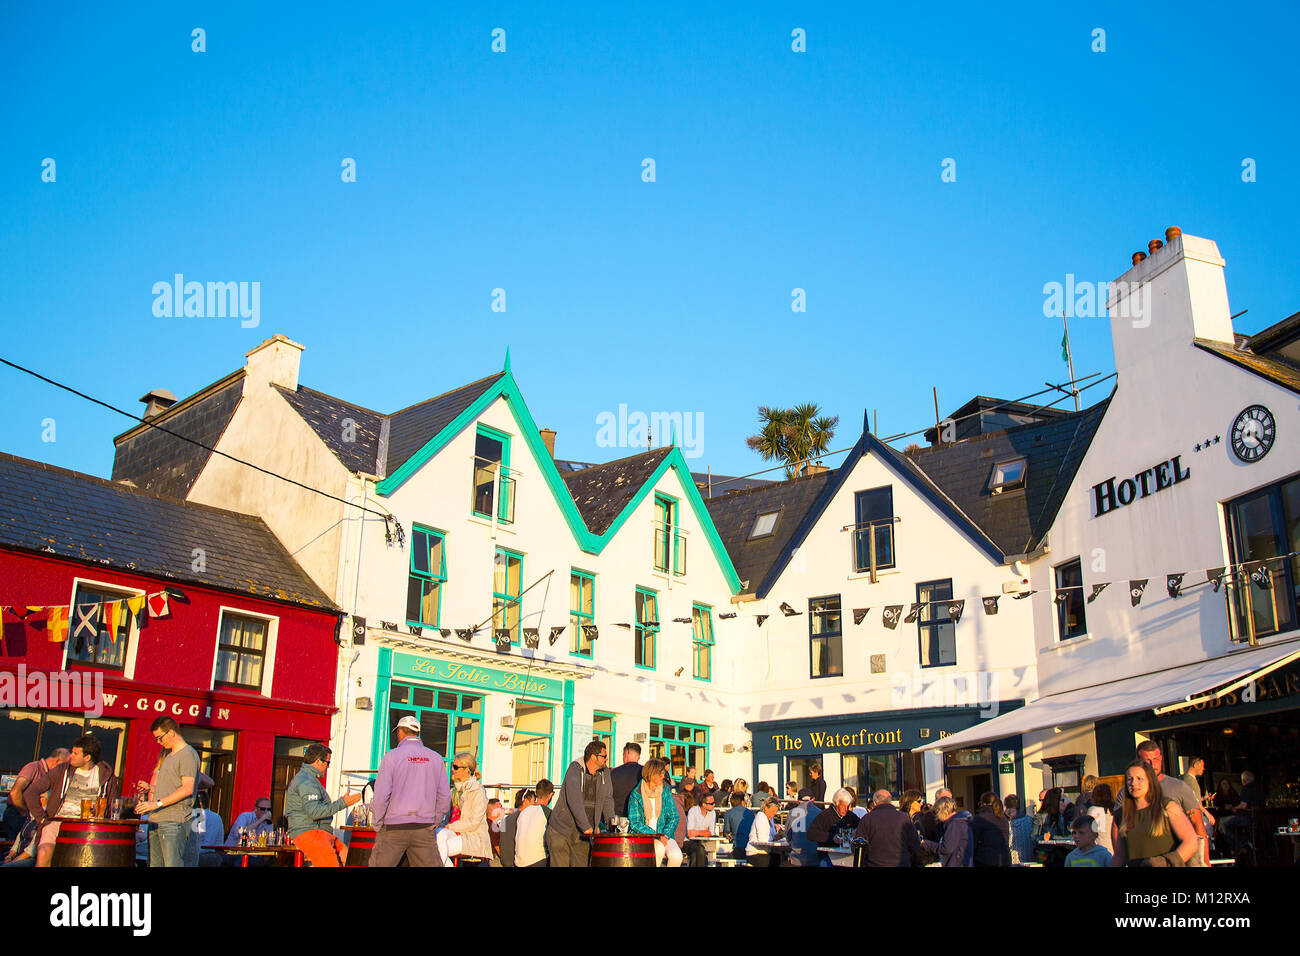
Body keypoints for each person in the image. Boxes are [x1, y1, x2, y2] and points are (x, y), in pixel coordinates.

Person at [26, 735, 120, 868]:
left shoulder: (106, 776)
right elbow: (31, 792)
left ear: (87, 758)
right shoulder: (62, 770)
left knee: (88, 858)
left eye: (75, 753)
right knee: (44, 851)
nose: (71, 756)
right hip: (58, 821)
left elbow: (113, 805)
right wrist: (41, 819)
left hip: (89, 826)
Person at [369, 715, 450, 867]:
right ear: (417, 733)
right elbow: (445, 798)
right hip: (424, 827)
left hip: (394, 827)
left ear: (400, 732)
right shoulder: (436, 758)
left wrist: (378, 823)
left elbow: (381, 796)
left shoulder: (391, 757)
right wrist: (434, 821)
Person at [133, 717, 200, 868]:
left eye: (159, 737)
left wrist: (156, 803)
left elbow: (187, 788)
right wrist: (151, 789)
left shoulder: (187, 754)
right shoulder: (169, 756)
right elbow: (172, 788)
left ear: (171, 732)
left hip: (173, 820)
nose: (158, 742)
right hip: (157, 819)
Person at [284, 742, 362, 866]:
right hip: (308, 833)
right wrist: (342, 803)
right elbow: (314, 812)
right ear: (318, 761)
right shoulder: (306, 781)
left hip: (320, 833)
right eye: (328, 762)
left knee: (351, 860)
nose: (328, 766)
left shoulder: (309, 779)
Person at [1111, 759, 1197, 867]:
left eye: (1139, 779)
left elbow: (1191, 842)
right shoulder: (1121, 814)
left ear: (1150, 780)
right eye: (1129, 779)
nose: (1133, 783)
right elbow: (1120, 856)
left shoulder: (1167, 806)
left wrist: (1167, 862)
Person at [1135, 740, 1207, 866]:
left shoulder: (1179, 787)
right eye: (1147, 760)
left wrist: (1204, 860)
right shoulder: (1128, 791)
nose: (1153, 764)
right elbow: (1118, 830)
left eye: (1156, 759)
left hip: (1175, 860)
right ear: (1138, 761)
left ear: (1162, 758)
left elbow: (1198, 824)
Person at [546, 740, 614, 867]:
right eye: (604, 756)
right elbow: (574, 799)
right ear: (593, 757)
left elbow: (607, 799)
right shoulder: (575, 768)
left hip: (584, 834)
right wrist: (586, 826)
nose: (606, 759)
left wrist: (611, 823)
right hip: (562, 830)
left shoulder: (605, 773)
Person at [627, 757, 683, 866]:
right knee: (658, 849)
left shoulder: (665, 791)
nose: (663, 776)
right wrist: (655, 835)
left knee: (677, 856)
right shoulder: (636, 794)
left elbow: (674, 816)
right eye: (660, 773)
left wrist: (665, 835)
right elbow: (635, 823)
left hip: (664, 834)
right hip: (644, 836)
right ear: (651, 774)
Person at [440, 752, 491, 866]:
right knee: (435, 838)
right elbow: (445, 816)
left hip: (472, 837)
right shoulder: (453, 791)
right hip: (453, 833)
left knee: (438, 847)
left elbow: (474, 823)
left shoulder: (477, 791)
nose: (452, 769)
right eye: (452, 766)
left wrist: (450, 827)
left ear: (467, 769)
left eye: (456, 767)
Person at [854, 790, 923, 867]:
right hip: (901, 863)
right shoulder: (904, 818)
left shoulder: (867, 819)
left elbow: (857, 847)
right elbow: (914, 845)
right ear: (890, 801)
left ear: (875, 803)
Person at [9, 747, 68, 824]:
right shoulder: (33, 768)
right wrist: (24, 813)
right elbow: (15, 792)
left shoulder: (51, 775)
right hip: (19, 815)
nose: (65, 769)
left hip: (34, 815)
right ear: (57, 761)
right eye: (65, 765)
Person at [921, 795, 972, 867]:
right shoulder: (960, 822)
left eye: (936, 812)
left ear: (942, 811)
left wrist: (925, 843)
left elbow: (946, 849)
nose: (936, 816)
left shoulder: (955, 824)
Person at [807, 788, 858, 861]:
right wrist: (832, 837)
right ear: (836, 804)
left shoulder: (850, 815)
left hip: (847, 855)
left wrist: (856, 831)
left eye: (848, 806)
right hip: (828, 855)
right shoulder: (825, 816)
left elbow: (861, 825)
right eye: (843, 806)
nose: (846, 809)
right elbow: (811, 834)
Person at [1220, 770, 1260, 855]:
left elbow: (1243, 805)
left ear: (1244, 780)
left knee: (1225, 825)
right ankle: (1246, 842)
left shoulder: (1246, 789)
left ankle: (1242, 846)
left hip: (1248, 818)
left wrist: (1234, 808)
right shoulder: (1259, 788)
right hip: (1260, 818)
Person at [970, 791, 1011, 867]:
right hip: (1004, 859)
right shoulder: (1003, 819)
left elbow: (973, 842)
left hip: (985, 860)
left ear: (983, 803)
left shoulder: (980, 818)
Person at [185, 789, 224, 867]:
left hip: (211, 854)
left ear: (198, 803)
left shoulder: (214, 817)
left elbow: (208, 844)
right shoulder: (196, 815)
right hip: (201, 851)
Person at [516, 784, 550, 867]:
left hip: (518, 861)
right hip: (537, 860)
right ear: (550, 795)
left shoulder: (523, 813)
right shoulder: (546, 812)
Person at [499, 788, 534, 868]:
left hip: (506, 862)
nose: (534, 805)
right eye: (533, 801)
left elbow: (502, 843)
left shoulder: (506, 819)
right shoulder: (525, 819)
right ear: (526, 801)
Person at [684, 790, 716, 867]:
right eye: (711, 804)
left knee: (697, 852)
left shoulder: (712, 813)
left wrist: (697, 832)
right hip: (688, 841)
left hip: (703, 842)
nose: (714, 805)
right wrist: (704, 832)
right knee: (699, 850)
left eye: (714, 803)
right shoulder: (693, 811)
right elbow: (690, 834)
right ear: (704, 804)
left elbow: (711, 832)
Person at [784, 794, 819, 866]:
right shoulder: (820, 812)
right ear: (813, 799)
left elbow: (788, 837)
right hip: (815, 859)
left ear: (798, 801)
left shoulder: (792, 812)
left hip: (796, 859)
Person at [746, 797, 782, 867]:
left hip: (764, 852)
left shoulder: (770, 819)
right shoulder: (761, 817)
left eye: (776, 811)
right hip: (754, 853)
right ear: (766, 809)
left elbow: (773, 835)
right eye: (773, 811)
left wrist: (779, 836)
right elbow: (763, 839)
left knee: (780, 857)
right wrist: (775, 838)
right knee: (776, 860)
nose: (775, 813)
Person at [610, 742, 644, 816]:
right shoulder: (645, 773)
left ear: (626, 753)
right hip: (638, 817)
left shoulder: (614, 772)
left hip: (617, 816)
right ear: (638, 757)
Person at [1004, 794, 1034, 865]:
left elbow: (1008, 843)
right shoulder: (1029, 820)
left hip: (1014, 859)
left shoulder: (1009, 824)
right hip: (1029, 858)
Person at [1087, 783, 1115, 855]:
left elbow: (1090, 833)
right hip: (1115, 851)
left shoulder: (1094, 811)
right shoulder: (1114, 811)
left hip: (1100, 852)